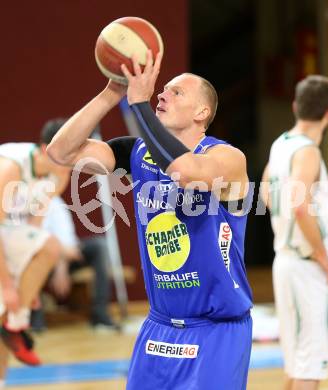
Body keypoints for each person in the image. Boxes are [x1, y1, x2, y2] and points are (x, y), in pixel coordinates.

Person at [47, 51, 253, 389]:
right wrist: (112, 93)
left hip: (216, 328)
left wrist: (140, 105)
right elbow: (61, 152)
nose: (162, 94)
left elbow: (187, 172)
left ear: (202, 112)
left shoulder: (226, 158)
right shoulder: (137, 153)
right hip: (160, 326)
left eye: (177, 92)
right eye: (163, 90)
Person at [261, 75, 328, 390]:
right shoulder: (308, 152)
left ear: (294, 106)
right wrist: (322, 256)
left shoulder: (281, 144)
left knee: (297, 363)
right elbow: (301, 206)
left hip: (286, 261)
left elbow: (265, 191)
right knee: (310, 367)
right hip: (306, 266)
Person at [0, 119, 71, 373]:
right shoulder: (11, 167)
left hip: (7, 232)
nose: (70, 163)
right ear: (45, 149)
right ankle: (14, 324)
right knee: (10, 305)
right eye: (65, 154)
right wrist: (9, 286)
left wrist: (28, 283)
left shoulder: (60, 172)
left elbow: (34, 232)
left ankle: (14, 326)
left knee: (8, 316)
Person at [31, 195, 119, 331]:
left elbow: (69, 245)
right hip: (36, 261)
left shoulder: (54, 202)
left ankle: (100, 315)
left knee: (99, 246)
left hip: (64, 258)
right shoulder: (15, 202)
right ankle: (35, 321)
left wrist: (61, 267)